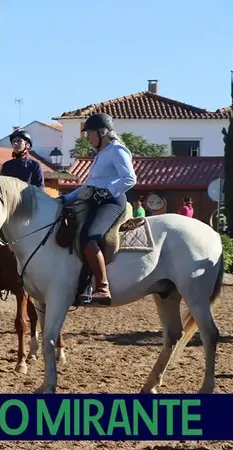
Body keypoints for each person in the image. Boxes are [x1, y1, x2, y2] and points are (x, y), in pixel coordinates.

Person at [59, 112, 137, 306]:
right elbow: (89, 186)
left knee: (89, 237)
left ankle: (103, 288)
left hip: (112, 202)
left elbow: (130, 179)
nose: (87, 137)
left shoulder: (117, 150)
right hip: (93, 200)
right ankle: (83, 284)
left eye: (90, 133)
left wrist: (107, 192)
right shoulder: (101, 154)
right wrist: (64, 199)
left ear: (102, 132)